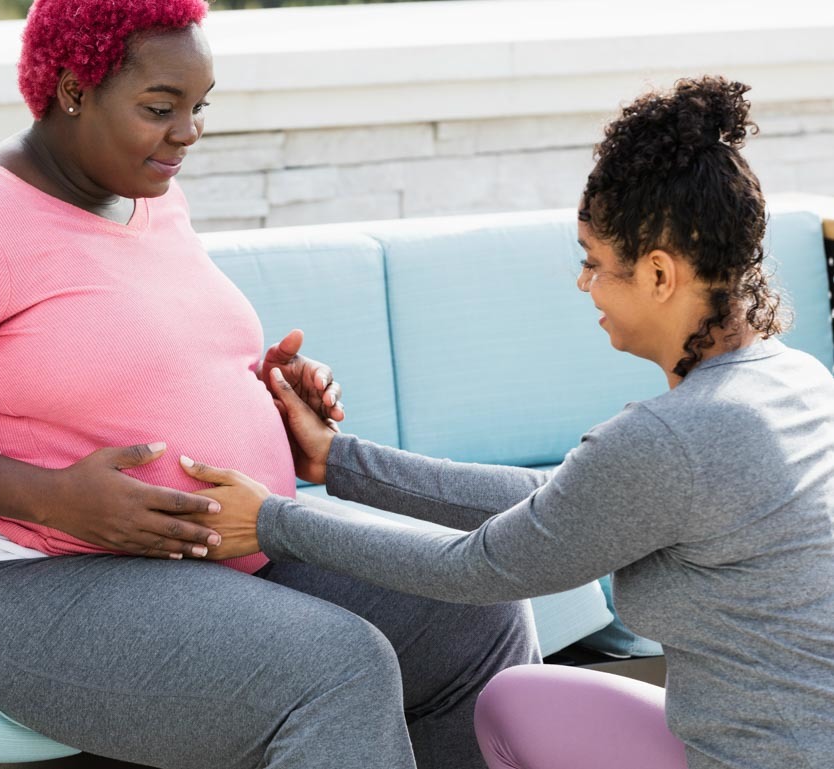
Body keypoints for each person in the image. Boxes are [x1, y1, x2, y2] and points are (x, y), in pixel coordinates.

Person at [0, 0, 540, 767]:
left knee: (473, 612)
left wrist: (266, 396)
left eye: (199, 106)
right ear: (71, 89)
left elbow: (137, 359)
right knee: (332, 663)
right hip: (14, 572)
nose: (187, 132)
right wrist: (50, 496)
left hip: (211, 546)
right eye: (161, 108)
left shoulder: (142, 193)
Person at [173, 76, 834, 769]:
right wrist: (337, 463)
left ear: (661, 275)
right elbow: (562, 501)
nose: (585, 285)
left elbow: (478, 568)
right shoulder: (799, 381)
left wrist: (272, 520)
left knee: (507, 703)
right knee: (519, 698)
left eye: (596, 263)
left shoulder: (672, 439)